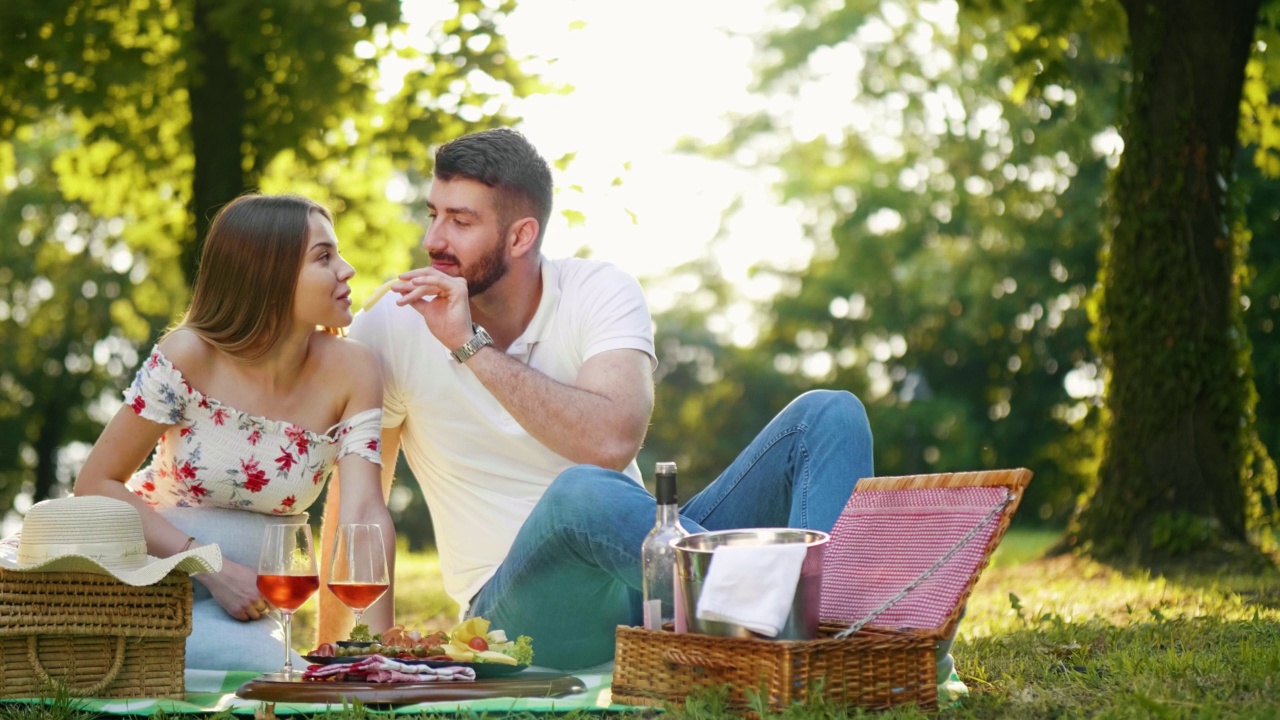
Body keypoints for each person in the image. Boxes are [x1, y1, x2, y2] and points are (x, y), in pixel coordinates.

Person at [321, 128, 954, 686]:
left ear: (520, 234)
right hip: (521, 616)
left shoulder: (598, 291)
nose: (434, 238)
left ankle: (833, 628)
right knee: (580, 496)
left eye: (461, 221)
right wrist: (341, 655)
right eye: (433, 214)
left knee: (829, 413)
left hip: (645, 578)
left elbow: (611, 438)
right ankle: (825, 629)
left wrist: (469, 345)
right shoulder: (393, 325)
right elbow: (357, 504)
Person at [74, 193, 397, 673]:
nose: (346, 270)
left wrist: (381, 652)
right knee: (274, 672)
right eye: (324, 257)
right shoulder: (188, 355)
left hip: (255, 605)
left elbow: (364, 512)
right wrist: (214, 568)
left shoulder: (354, 370)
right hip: (150, 584)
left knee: (277, 665)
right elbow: (94, 485)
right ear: (269, 274)